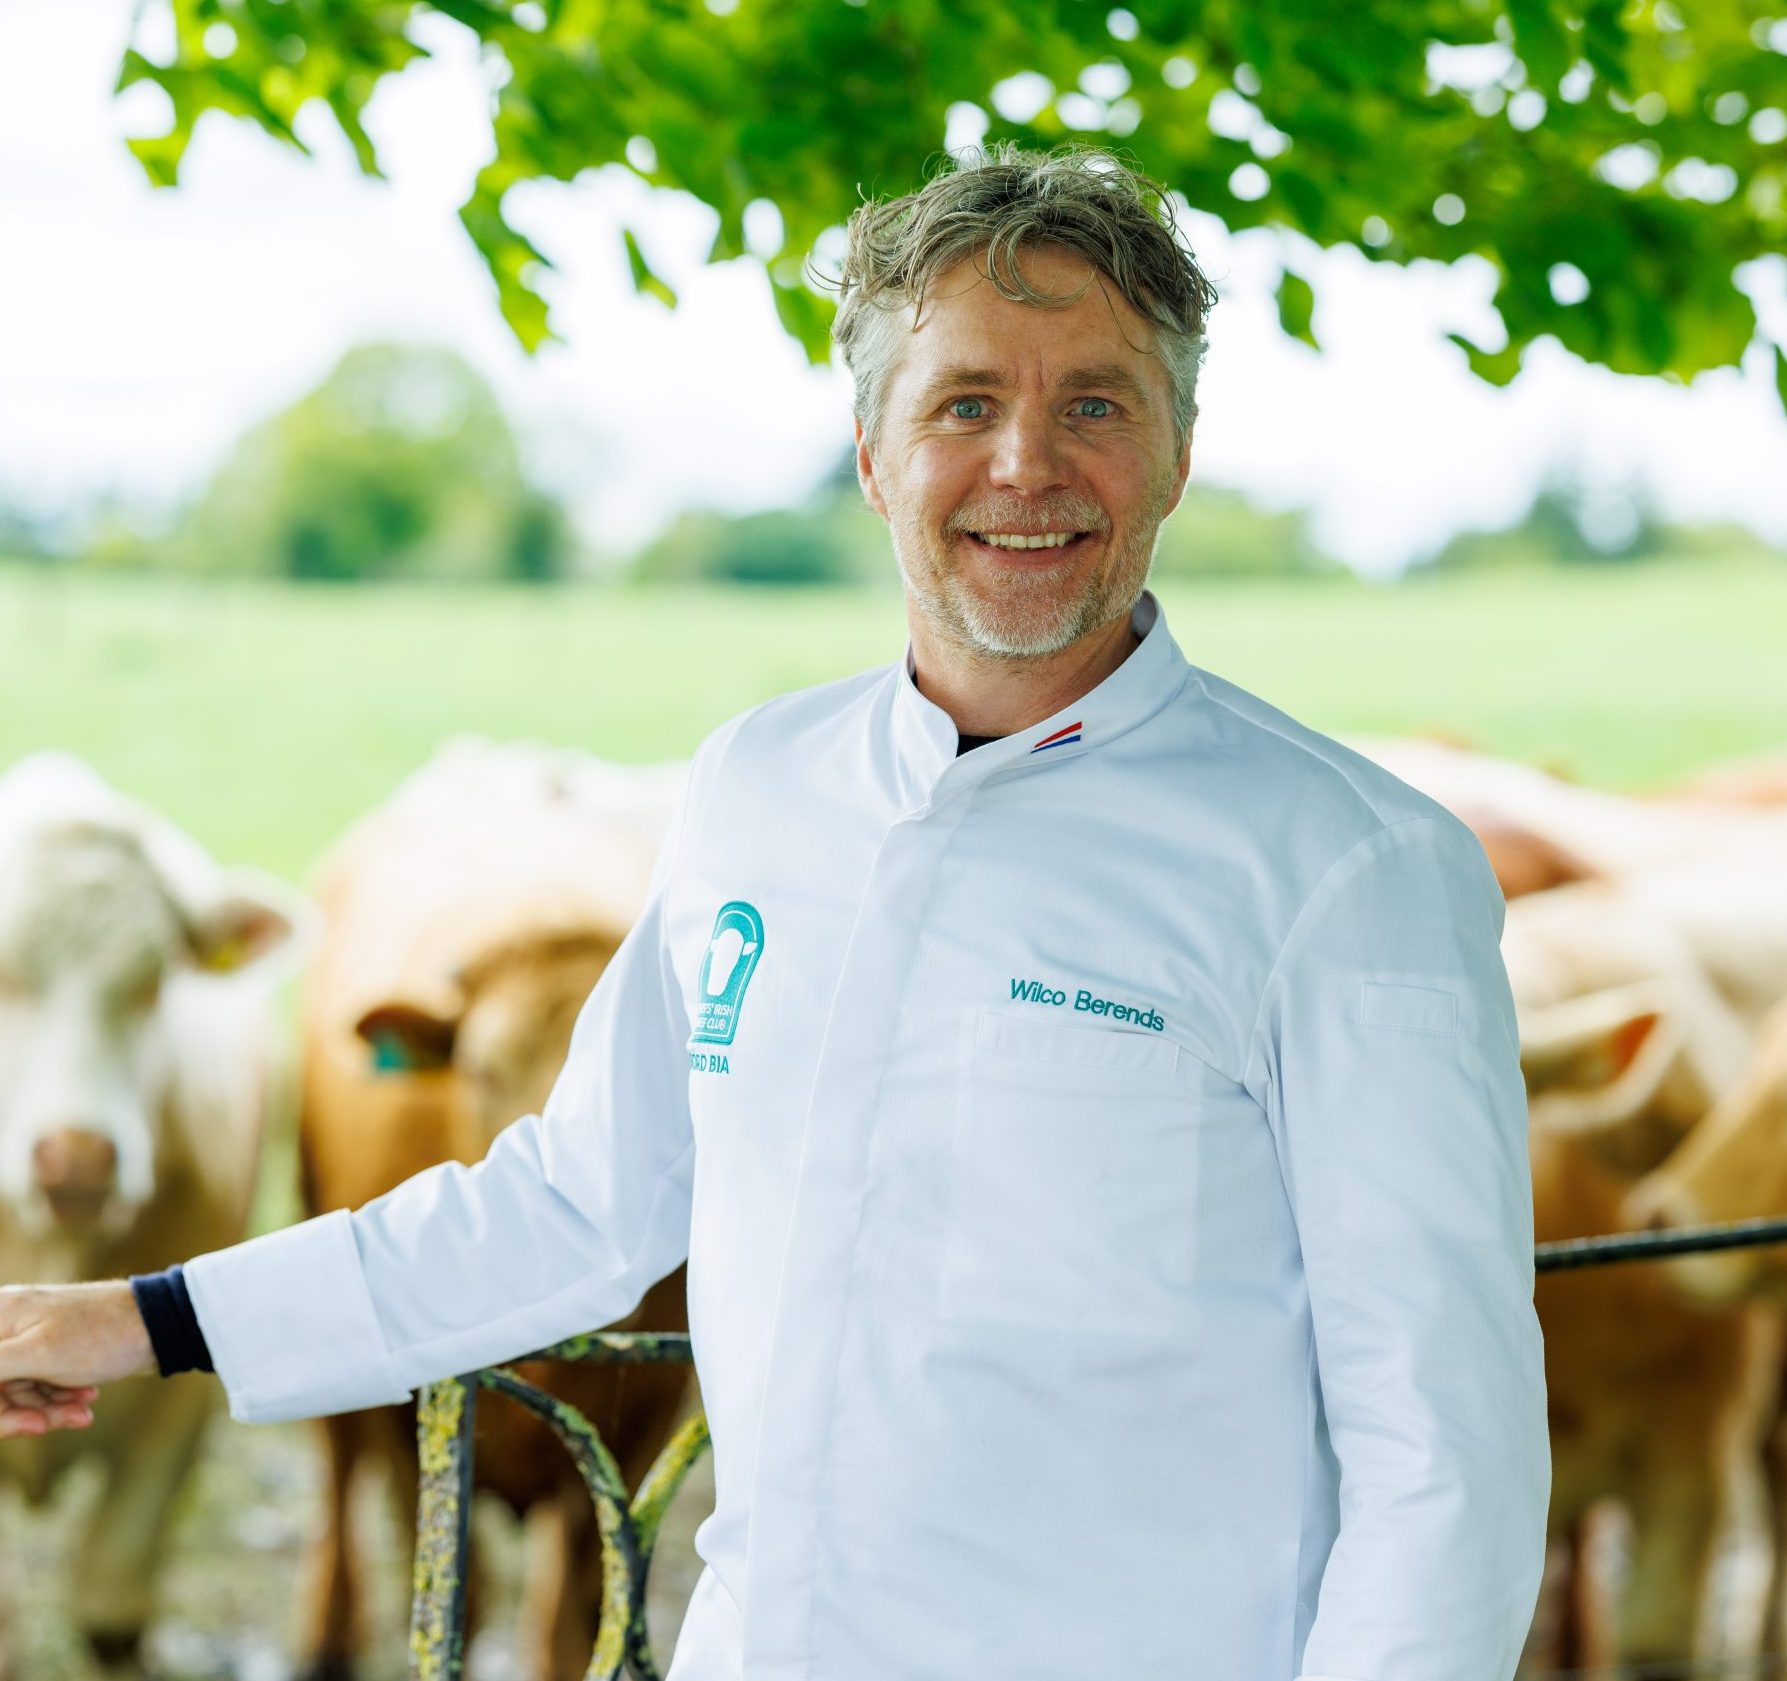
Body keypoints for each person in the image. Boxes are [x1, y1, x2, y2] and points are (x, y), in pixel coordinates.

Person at [0, 144, 1548, 1680]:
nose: (1026, 464)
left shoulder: (1355, 868)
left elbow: (1445, 1456)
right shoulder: (758, 785)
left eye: (1096, 402)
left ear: (1179, 452)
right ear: (873, 452)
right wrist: (130, 1318)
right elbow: (567, 1208)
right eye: (964, 403)